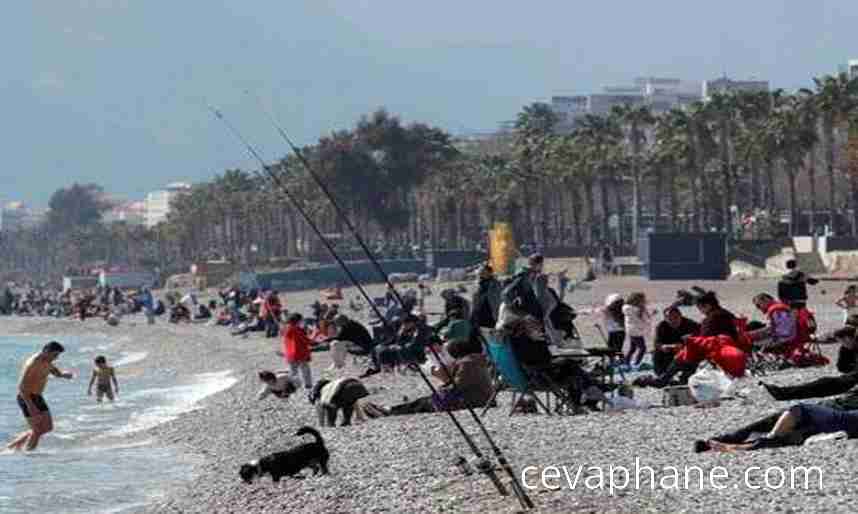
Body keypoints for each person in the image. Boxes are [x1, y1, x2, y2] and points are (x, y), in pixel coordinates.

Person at [364, 338, 493, 416]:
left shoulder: (467, 363)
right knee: (426, 401)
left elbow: (458, 386)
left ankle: (389, 411)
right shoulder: (474, 360)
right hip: (482, 398)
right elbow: (461, 383)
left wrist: (443, 389)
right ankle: (389, 409)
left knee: (427, 402)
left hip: (474, 400)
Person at [6, 341, 74, 452]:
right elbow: (21, 387)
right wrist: (30, 405)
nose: (56, 358)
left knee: (47, 427)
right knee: (37, 430)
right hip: (26, 397)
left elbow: (51, 368)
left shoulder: (47, 360)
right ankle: (28, 455)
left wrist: (62, 375)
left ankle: (12, 447)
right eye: (55, 355)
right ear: (46, 351)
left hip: (37, 396)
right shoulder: (33, 363)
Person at [652, 307, 700, 376]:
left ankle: (686, 375)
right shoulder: (661, 326)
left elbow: (703, 335)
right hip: (669, 351)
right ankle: (662, 375)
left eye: (675, 317)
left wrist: (687, 342)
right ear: (665, 319)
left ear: (680, 316)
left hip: (686, 352)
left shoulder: (690, 324)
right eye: (669, 318)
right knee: (656, 353)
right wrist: (663, 347)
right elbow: (657, 343)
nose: (673, 320)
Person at [281, 313, 314, 396]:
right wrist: (313, 341)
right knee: (305, 369)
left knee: (293, 371)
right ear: (297, 321)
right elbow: (304, 340)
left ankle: (291, 386)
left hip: (290, 354)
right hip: (299, 353)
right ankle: (308, 384)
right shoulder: (296, 329)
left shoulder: (287, 328)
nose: (302, 322)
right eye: (301, 320)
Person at [622, 292, 653, 369]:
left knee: (632, 348)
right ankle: (636, 363)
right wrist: (647, 311)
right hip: (636, 331)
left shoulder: (627, 308)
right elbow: (644, 319)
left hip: (631, 330)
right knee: (643, 348)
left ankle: (627, 362)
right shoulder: (638, 309)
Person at [470, 264, 502, 335]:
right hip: (477, 315)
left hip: (490, 314)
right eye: (479, 272)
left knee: (490, 335)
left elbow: (498, 300)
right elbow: (473, 300)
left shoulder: (495, 284)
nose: (480, 273)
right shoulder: (477, 284)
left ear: (489, 273)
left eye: (483, 271)